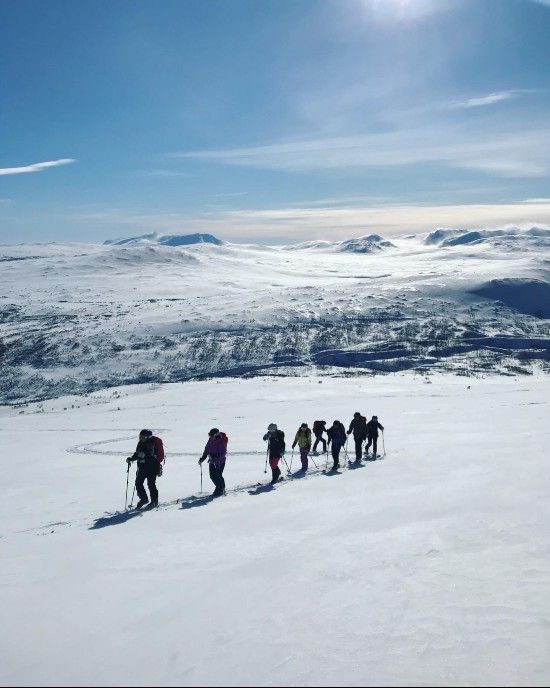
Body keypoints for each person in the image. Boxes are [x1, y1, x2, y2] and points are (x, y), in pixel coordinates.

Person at [126, 429, 164, 509]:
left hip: (152, 468)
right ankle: (144, 499)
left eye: (142, 437)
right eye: (140, 436)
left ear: (147, 437)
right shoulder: (141, 443)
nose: (140, 438)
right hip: (142, 467)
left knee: (151, 484)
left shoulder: (151, 444)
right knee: (138, 483)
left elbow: (152, 456)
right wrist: (131, 459)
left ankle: (154, 501)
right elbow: (137, 453)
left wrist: (144, 457)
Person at [199, 428, 228, 497]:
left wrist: (215, 456)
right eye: (210, 436)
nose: (210, 437)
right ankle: (221, 487)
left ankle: (220, 489)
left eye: (211, 436)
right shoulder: (211, 440)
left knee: (218, 476)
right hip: (212, 461)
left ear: (216, 435)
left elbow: (223, 453)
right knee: (212, 476)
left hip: (220, 462)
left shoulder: (221, 442)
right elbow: (207, 449)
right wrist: (203, 458)